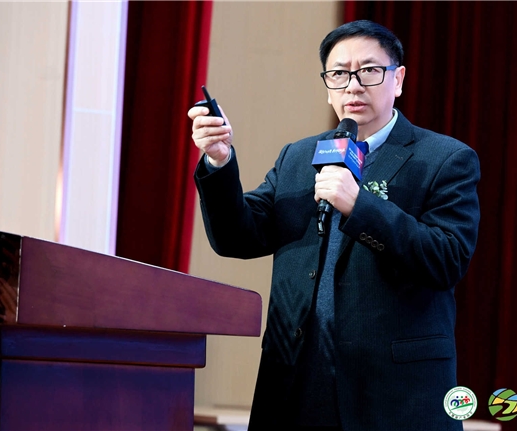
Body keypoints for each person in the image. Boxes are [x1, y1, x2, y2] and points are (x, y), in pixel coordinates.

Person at [188, 20, 480, 431]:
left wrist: (360, 205)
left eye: (369, 71)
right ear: (327, 86)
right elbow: (237, 237)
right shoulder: (298, 156)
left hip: (392, 393)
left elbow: (447, 258)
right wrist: (219, 161)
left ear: (397, 79)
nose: (353, 86)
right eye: (339, 74)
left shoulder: (445, 159)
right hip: (297, 383)